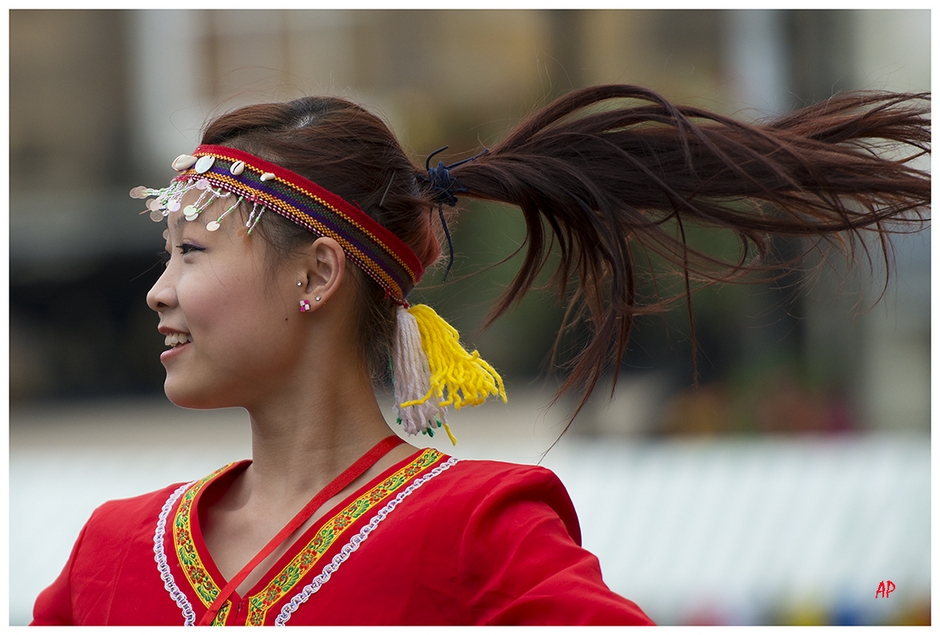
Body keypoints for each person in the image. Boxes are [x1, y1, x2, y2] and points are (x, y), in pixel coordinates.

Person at [31, 85, 929, 626]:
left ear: (319, 270)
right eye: (166, 253)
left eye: (192, 251)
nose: (158, 290)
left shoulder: (477, 531)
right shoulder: (115, 551)